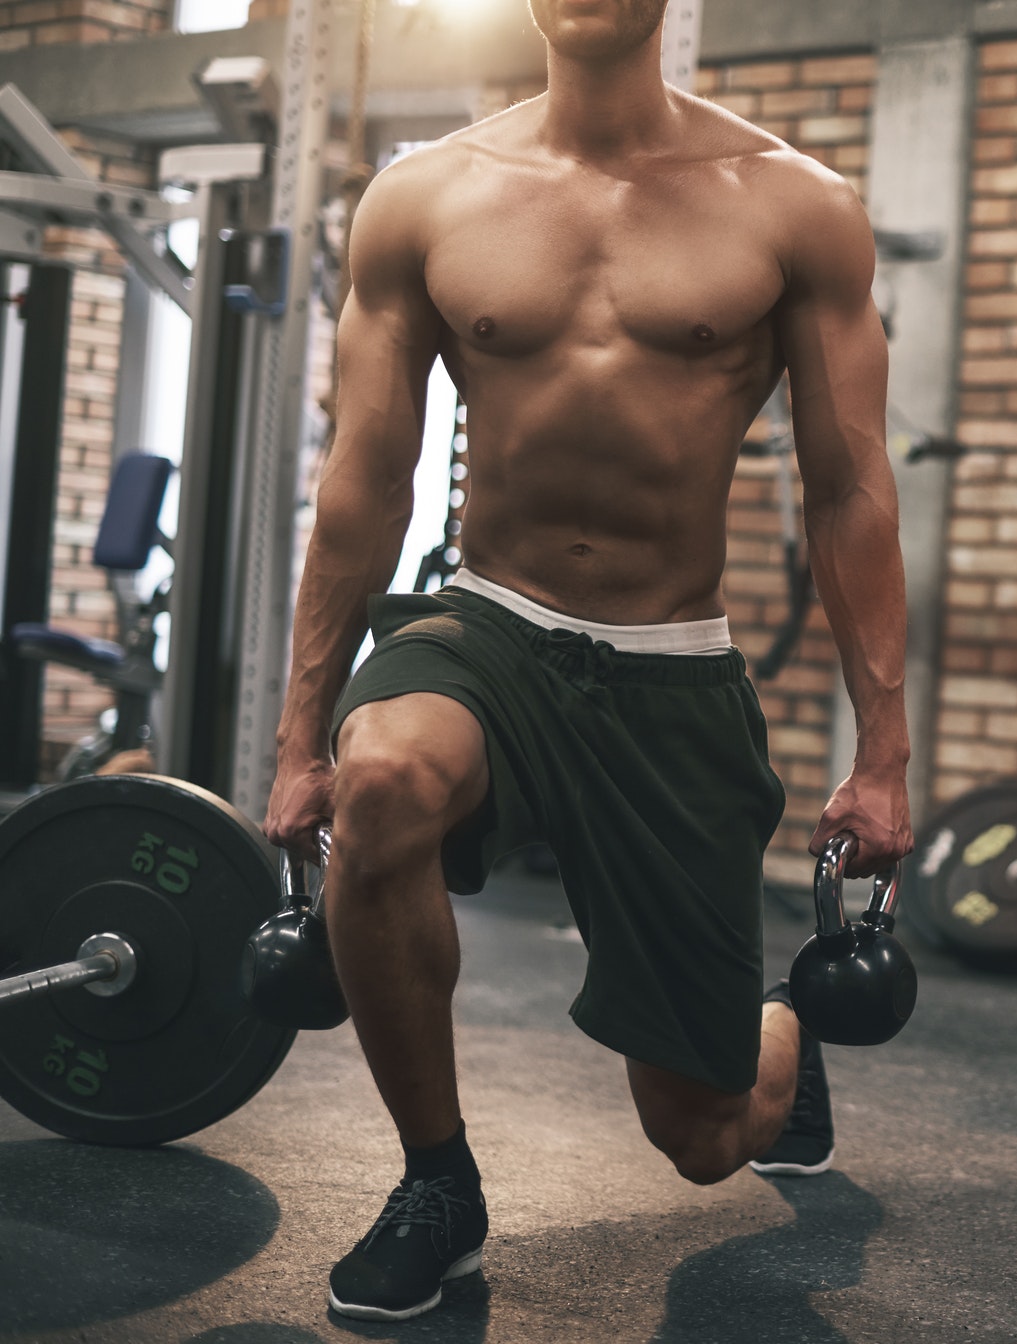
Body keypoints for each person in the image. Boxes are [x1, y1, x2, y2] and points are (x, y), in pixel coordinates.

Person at [263, 0, 912, 1322]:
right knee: (386, 781)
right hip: (488, 623)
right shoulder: (422, 198)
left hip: (670, 664)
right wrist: (301, 738)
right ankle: (437, 1182)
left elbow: (849, 486)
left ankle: (774, 1043)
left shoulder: (794, 205)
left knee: (701, 1136)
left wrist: (886, 751)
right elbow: (363, 479)